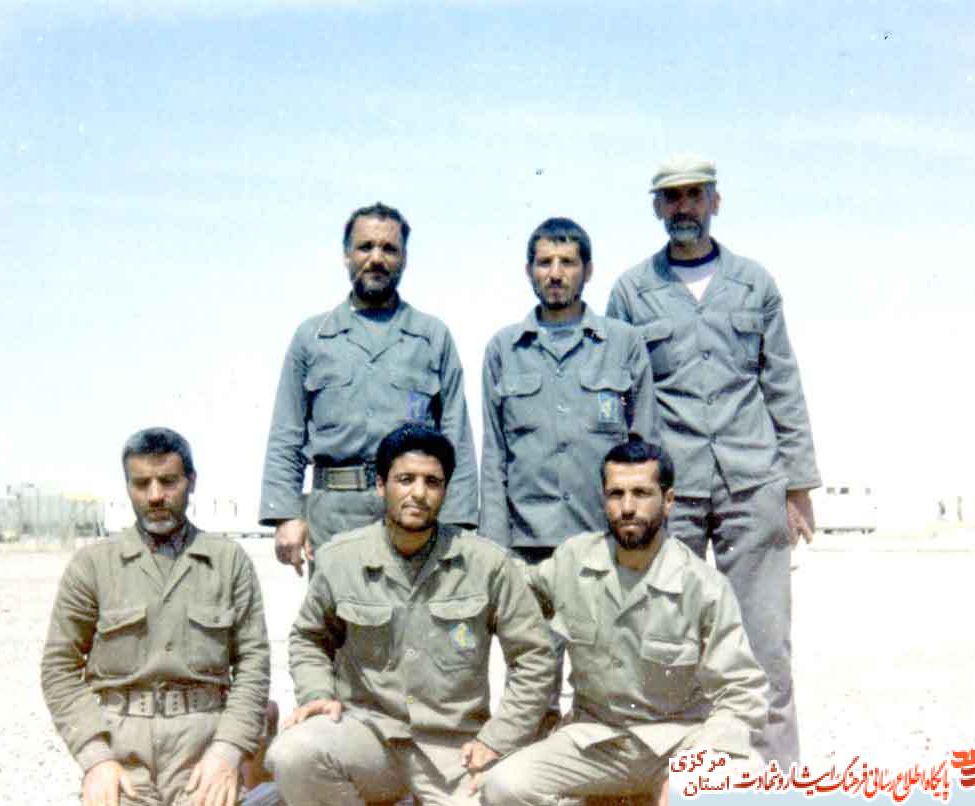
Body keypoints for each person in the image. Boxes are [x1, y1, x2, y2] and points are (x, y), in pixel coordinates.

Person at [605, 155, 820, 767]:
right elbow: (619, 393)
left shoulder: (755, 284)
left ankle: (775, 780)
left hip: (752, 483)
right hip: (669, 494)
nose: (684, 208)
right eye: (672, 197)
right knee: (662, 643)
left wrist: (798, 485)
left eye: (695, 195)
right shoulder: (631, 292)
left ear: (715, 202)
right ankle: (667, 780)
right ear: (656, 208)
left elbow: (782, 382)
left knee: (765, 646)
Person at [266, 423, 555, 805]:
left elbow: (535, 657)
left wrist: (498, 738)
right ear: (380, 485)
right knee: (293, 753)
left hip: (456, 751)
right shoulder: (341, 559)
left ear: (445, 491)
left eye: (432, 482)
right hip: (368, 740)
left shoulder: (487, 564)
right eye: (405, 479)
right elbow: (309, 637)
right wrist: (318, 693)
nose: (418, 493)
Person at [480, 435, 768, 806]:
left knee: (744, 776)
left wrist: (694, 769)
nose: (627, 507)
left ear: (668, 500)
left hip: (677, 743)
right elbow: (512, 587)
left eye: (641, 493)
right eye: (616, 494)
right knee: (504, 785)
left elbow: (741, 692)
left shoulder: (703, 586)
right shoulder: (574, 561)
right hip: (595, 740)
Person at [42, 427, 271, 806]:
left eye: (168, 481)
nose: (155, 496)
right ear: (127, 486)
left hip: (204, 748)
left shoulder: (228, 562)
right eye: (141, 483)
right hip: (122, 752)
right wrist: (97, 760)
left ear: (191, 481)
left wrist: (227, 752)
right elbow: (58, 669)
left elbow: (253, 666)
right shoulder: (92, 565)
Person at [260, 202, 479, 576]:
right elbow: (287, 432)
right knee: (337, 611)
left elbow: (455, 435)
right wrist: (285, 515)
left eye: (389, 249)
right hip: (335, 515)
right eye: (365, 247)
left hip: (414, 511)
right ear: (346, 255)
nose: (376, 258)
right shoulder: (313, 337)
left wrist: (458, 523)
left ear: (404, 258)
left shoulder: (432, 337)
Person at [481, 216, 660, 557]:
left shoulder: (623, 344)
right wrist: (493, 549)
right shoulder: (504, 349)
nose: (555, 273)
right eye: (544, 262)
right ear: (529, 271)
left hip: (606, 539)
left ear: (588, 271)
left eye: (567, 262)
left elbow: (646, 446)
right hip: (526, 545)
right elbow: (494, 459)